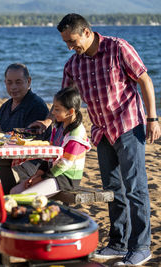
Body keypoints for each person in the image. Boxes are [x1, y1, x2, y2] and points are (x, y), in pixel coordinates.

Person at [32, 13, 160, 266]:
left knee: (135, 188)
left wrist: (153, 119)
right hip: (101, 132)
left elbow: (144, 79)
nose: (69, 47)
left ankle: (141, 247)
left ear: (87, 32)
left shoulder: (118, 48)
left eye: (72, 40)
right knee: (113, 191)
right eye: (66, 42)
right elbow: (63, 102)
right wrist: (47, 121)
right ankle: (117, 243)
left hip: (128, 126)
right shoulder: (73, 65)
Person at [10, 87, 90, 196]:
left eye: (57, 109)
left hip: (67, 178)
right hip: (51, 172)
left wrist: (41, 178)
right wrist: (37, 174)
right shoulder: (58, 127)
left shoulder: (76, 135)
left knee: (25, 196)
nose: (52, 112)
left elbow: (65, 164)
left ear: (70, 112)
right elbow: (50, 155)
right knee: (14, 192)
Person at [0, 63, 52, 183]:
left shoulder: (37, 106)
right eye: (9, 82)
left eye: (18, 82)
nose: (13, 87)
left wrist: (0, 135)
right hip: (6, 159)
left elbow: (31, 145)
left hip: (32, 164)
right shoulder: (5, 106)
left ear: (29, 81)